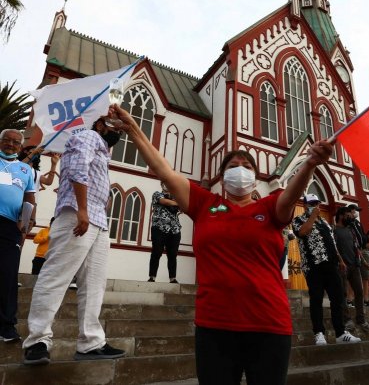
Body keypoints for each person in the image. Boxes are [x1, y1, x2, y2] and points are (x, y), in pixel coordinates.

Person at [110, 104, 335, 385]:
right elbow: (164, 171)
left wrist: (310, 164)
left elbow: (291, 194)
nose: (240, 171)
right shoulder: (204, 204)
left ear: (255, 177)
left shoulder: (270, 208)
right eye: (232, 167)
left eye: (247, 167)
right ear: (222, 176)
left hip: (269, 326)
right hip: (214, 327)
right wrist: (132, 128)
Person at [22, 117, 126, 365]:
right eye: (112, 125)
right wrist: (82, 209)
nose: (117, 131)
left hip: (97, 218)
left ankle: (91, 342)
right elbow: (78, 170)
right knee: (56, 276)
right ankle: (37, 340)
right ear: (99, 125)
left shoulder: (102, 148)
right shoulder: (89, 136)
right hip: (79, 214)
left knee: (94, 283)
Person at [292, 195, 361, 346]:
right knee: (316, 299)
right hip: (313, 266)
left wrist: (341, 260)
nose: (316, 205)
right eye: (312, 203)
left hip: (331, 266)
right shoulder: (298, 220)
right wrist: (313, 217)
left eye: (317, 203)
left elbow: (332, 243)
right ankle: (319, 333)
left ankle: (340, 333)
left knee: (337, 299)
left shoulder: (324, 222)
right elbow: (303, 232)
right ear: (305, 205)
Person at [0, 129, 36, 343]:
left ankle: (6, 327)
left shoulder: (25, 170)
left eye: (15, 142)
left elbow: (30, 198)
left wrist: (28, 221)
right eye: (6, 140)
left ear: (20, 147)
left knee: (7, 275)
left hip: (10, 227)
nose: (10, 144)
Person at [333, 206, 369, 333]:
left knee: (359, 292)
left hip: (355, 266)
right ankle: (347, 320)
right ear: (340, 216)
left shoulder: (351, 230)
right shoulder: (334, 231)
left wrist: (364, 262)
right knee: (343, 294)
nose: (350, 217)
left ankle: (361, 320)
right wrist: (340, 262)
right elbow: (334, 249)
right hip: (342, 267)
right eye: (347, 215)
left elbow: (356, 247)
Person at [148, 182, 182, 283]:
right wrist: (178, 203)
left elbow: (183, 207)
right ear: (162, 184)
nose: (167, 185)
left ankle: (173, 278)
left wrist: (180, 205)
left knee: (172, 254)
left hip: (174, 229)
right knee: (156, 252)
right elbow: (164, 202)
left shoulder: (176, 197)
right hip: (159, 228)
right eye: (165, 183)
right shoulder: (157, 194)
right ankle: (152, 277)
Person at [361, 233, 369, 308]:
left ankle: (365, 299)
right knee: (365, 282)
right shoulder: (364, 251)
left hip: (365, 270)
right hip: (364, 270)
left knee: (366, 282)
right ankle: (365, 300)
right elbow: (367, 247)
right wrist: (366, 264)